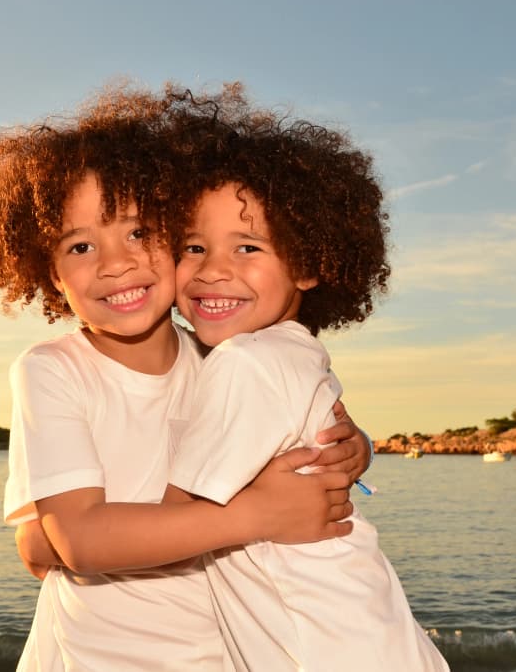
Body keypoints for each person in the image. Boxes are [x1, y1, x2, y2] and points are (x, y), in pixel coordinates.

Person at [0, 84, 371, 671]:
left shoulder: (223, 354)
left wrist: (356, 448)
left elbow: (307, 414)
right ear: (48, 275)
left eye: (139, 232)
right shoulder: (54, 371)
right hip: (98, 657)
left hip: (220, 652)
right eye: (79, 245)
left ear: (178, 237)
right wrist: (257, 515)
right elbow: (71, 544)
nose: (115, 262)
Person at [161, 92, 450, 671]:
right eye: (193, 247)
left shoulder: (247, 362)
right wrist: (360, 446)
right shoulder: (293, 349)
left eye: (248, 247)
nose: (213, 268)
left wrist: (61, 536)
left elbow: (171, 521)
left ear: (312, 262)